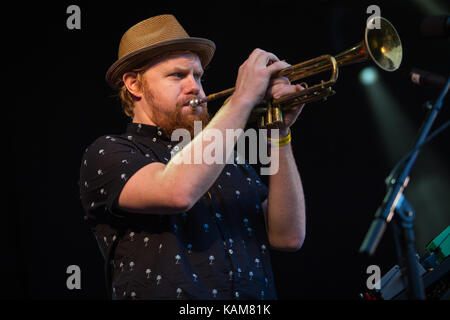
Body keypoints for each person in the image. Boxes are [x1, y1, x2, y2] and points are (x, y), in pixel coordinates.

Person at [79, 14, 306, 300]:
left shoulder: (224, 157)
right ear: (134, 85)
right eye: (178, 75)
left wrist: (279, 133)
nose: (195, 87)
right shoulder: (109, 151)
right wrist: (243, 98)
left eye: (198, 76)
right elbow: (178, 192)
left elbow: (288, 236)